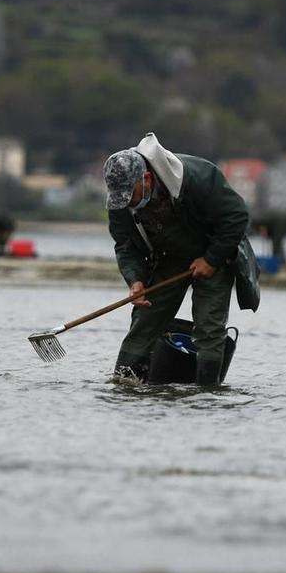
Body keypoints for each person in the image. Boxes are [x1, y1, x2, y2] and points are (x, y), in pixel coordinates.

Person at [104, 132, 259, 388]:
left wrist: (211, 259)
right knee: (144, 321)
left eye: (130, 195)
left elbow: (237, 217)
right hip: (168, 257)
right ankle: (124, 386)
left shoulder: (197, 176)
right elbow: (125, 245)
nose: (126, 203)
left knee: (209, 327)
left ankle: (207, 392)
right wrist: (136, 279)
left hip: (215, 253)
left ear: (146, 178)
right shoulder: (120, 202)